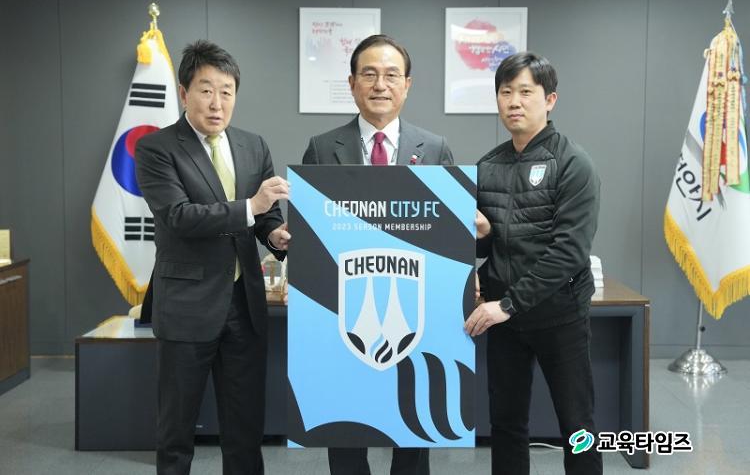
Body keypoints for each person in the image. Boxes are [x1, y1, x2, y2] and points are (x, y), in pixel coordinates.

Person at [135, 40, 291, 475]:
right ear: (184, 93)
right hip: (187, 306)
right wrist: (252, 207)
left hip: (244, 304)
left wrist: (276, 235)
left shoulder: (253, 145)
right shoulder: (156, 148)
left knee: (245, 429)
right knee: (176, 431)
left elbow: (265, 217)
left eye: (226, 91)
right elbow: (179, 216)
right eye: (206, 90)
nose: (217, 103)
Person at [302, 34, 453, 475]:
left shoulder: (435, 148)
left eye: (391, 75)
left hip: (415, 301)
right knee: (346, 422)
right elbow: (311, 232)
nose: (380, 84)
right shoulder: (322, 147)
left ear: (407, 85)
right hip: (343, 304)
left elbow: (448, 236)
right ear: (352, 83)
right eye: (368, 74)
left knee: (414, 417)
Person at [464, 51, 602, 475]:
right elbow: (492, 247)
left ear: (550, 99)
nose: (514, 102)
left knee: (578, 427)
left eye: (526, 92)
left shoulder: (573, 163)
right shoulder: (488, 165)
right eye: (506, 92)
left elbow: (568, 252)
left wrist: (507, 305)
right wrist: (482, 236)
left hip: (558, 314)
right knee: (506, 424)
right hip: (505, 320)